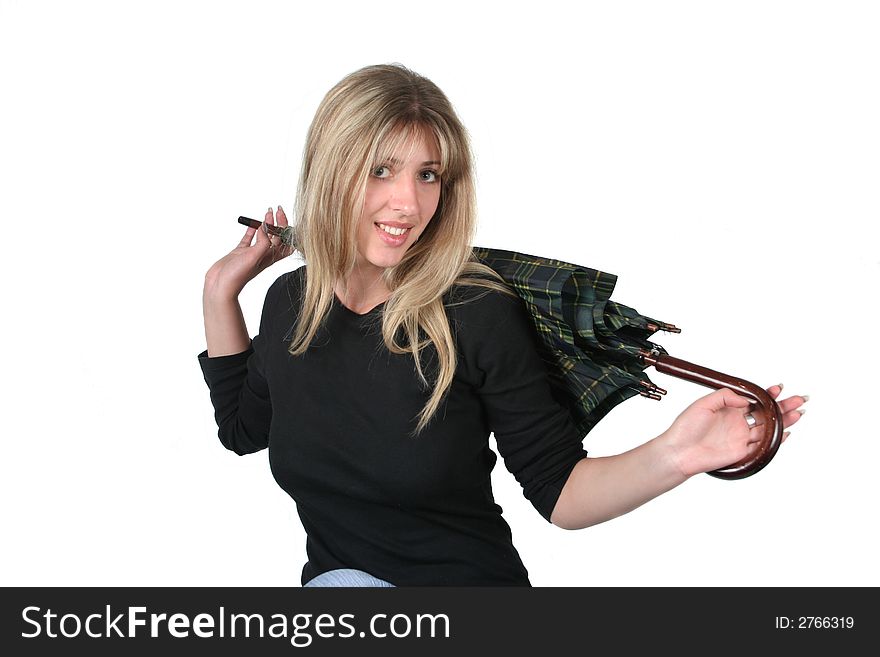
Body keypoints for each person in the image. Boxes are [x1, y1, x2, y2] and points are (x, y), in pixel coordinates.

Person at [198, 63, 808, 587]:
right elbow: (243, 428)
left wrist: (678, 453)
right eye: (381, 170)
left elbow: (559, 490)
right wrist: (220, 290)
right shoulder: (289, 305)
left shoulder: (472, 314)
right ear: (332, 171)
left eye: (428, 174)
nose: (408, 204)